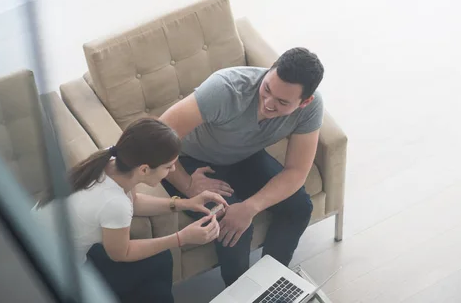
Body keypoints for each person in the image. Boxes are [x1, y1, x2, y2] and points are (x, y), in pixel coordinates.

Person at [160, 47, 324, 286]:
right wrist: (188, 185)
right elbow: (157, 138)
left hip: (244, 156)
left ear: (304, 101)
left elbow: (297, 171)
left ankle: (271, 287)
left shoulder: (312, 107)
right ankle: (242, 292)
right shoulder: (225, 89)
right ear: (268, 72)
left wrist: (251, 207)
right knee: (233, 227)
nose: (267, 103)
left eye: (281, 102)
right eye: (267, 89)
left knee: (298, 207)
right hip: (190, 162)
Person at [33, 118, 227, 303]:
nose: (174, 170)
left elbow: (134, 203)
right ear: (144, 169)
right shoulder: (114, 203)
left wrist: (185, 203)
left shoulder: (113, 162)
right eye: (168, 166)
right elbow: (121, 253)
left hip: (57, 252)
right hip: (55, 276)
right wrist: (182, 237)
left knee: (160, 265)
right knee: (156, 282)